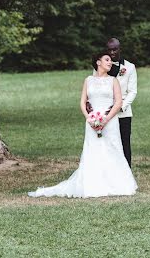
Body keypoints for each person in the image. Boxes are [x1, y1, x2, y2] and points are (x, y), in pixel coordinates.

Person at [28, 52, 137, 198]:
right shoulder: (88, 80)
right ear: (98, 62)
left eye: (110, 61)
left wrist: (105, 119)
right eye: (107, 60)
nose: (110, 62)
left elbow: (118, 102)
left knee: (113, 148)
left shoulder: (113, 81)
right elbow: (82, 101)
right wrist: (90, 118)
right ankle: (93, 183)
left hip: (110, 121)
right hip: (92, 122)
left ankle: (116, 183)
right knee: (93, 150)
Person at [105, 37, 137, 167]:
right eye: (109, 50)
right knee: (107, 143)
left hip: (123, 113)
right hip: (105, 112)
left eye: (115, 49)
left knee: (124, 143)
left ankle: (127, 173)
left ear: (120, 49)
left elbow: (132, 91)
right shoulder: (100, 66)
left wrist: (120, 107)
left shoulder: (130, 67)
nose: (112, 53)